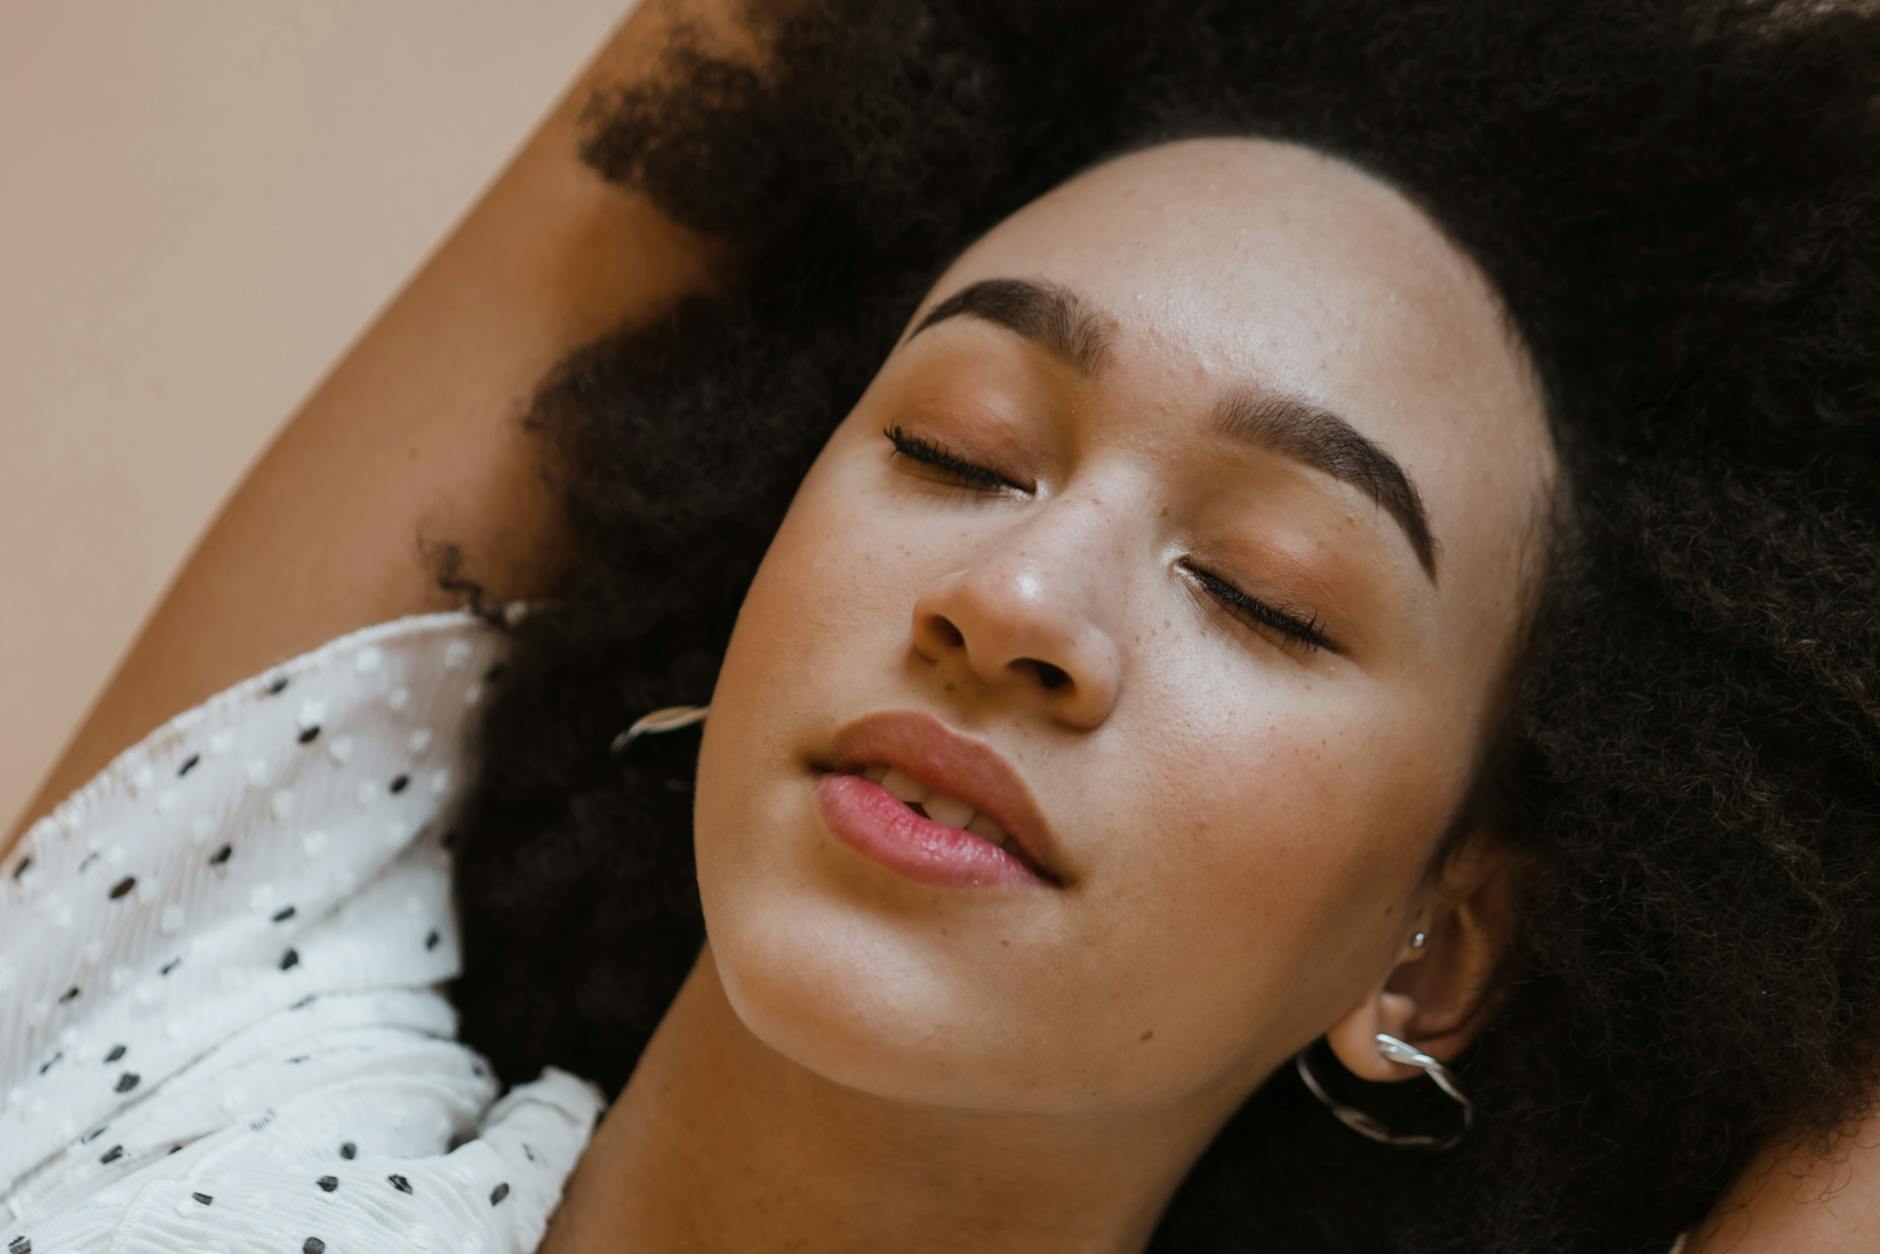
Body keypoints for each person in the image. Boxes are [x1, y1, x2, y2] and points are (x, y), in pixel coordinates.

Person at [2, 1, 1874, 1251]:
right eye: (958, 449)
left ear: (1436, 952)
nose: (1017, 602)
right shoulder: (195, 1026)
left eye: (1261, 590)